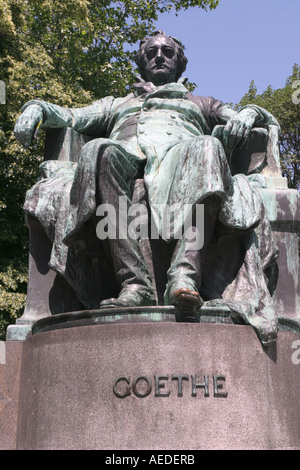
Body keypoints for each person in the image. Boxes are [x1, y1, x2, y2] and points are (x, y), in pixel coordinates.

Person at [14, 31, 280, 345]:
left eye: (168, 51)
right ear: (141, 61)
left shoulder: (201, 103)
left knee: (208, 146)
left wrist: (251, 112)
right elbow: (72, 116)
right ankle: (134, 284)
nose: (159, 55)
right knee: (98, 150)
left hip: (181, 160)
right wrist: (36, 108)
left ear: (180, 63)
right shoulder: (117, 103)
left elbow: (251, 119)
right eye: (151, 51)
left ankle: (184, 277)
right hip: (127, 157)